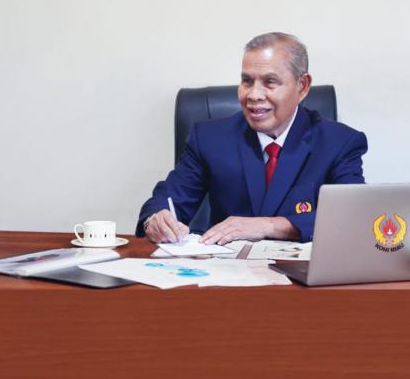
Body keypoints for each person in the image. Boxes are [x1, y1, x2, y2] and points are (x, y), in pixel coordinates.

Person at [136, 32, 367, 245]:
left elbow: (353, 215)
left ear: (302, 86)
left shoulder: (339, 143)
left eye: (270, 82)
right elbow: (166, 201)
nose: (254, 95)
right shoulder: (209, 138)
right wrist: (155, 220)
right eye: (247, 81)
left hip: (302, 272)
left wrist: (269, 226)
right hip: (225, 270)